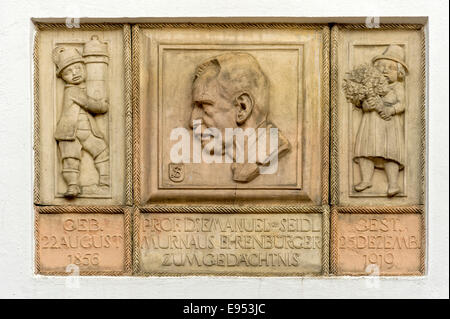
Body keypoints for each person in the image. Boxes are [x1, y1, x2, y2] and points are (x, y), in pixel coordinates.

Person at [189, 52, 290, 182]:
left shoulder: (267, 151)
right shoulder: (242, 160)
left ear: (243, 108)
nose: (192, 121)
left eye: (204, 106)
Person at [52, 46, 110, 197]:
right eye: (68, 72)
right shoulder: (72, 90)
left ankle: (105, 183)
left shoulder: (81, 88)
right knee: (71, 159)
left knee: (102, 152)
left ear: (84, 67)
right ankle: (73, 186)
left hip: (87, 130)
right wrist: (102, 106)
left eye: (77, 68)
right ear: (62, 77)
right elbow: (90, 104)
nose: (74, 74)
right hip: (70, 133)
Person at [353, 45, 408, 197]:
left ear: (399, 74)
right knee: (366, 151)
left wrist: (391, 110)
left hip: (389, 125)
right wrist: (366, 105)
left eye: (390, 68)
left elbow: (402, 104)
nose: (384, 71)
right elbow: (362, 102)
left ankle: (393, 184)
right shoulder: (370, 87)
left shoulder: (397, 87)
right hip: (370, 123)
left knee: (390, 152)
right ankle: (366, 180)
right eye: (381, 67)